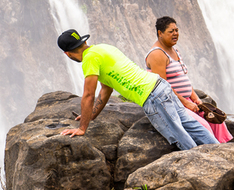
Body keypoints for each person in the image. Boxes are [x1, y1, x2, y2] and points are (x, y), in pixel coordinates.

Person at [56, 29, 218, 150]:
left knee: (178, 135)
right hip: (160, 86)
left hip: (152, 97)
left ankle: (205, 165)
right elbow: (106, 90)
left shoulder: (89, 59)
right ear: (83, 42)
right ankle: (221, 151)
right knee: (190, 125)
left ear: (67, 53)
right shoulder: (102, 48)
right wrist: (90, 116)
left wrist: (82, 128)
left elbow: (88, 95)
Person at [145, 16, 233, 143]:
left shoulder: (174, 50)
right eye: (171, 31)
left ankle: (223, 150)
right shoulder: (157, 54)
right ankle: (212, 155)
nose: (175, 34)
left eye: (176, 30)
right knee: (204, 127)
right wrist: (186, 103)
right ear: (160, 33)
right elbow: (163, 87)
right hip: (173, 103)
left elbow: (182, 77)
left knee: (216, 121)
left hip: (187, 100)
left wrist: (196, 99)